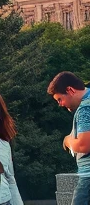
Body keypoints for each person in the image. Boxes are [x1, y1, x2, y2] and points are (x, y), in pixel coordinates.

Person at [50, 71, 90, 205]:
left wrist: (67, 140)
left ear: (70, 90)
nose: (60, 104)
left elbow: (84, 145)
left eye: (59, 99)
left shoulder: (86, 108)